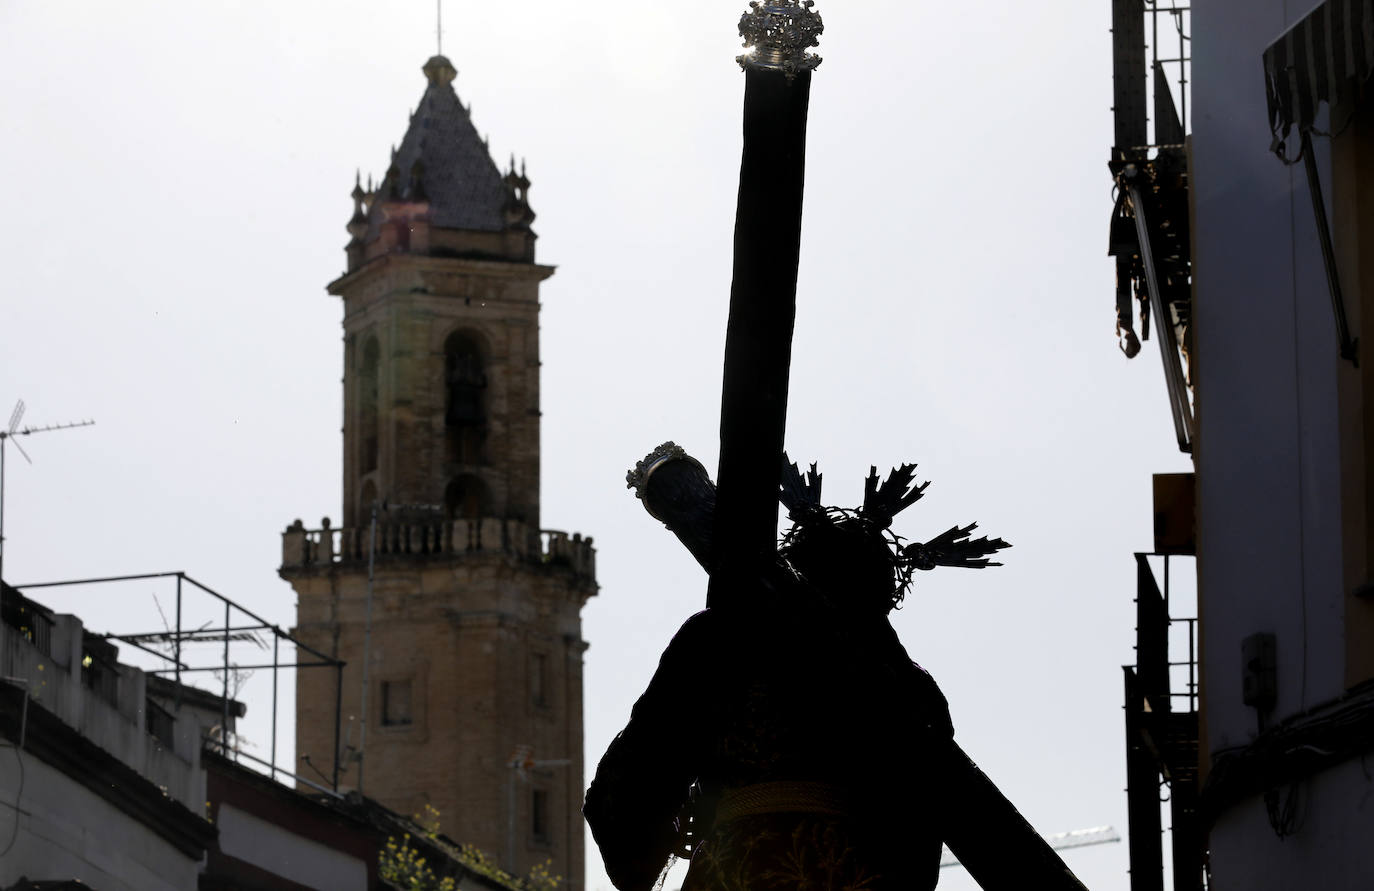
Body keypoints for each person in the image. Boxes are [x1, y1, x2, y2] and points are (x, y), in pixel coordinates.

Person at [585, 459, 1008, 891]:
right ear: (881, 599)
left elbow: (627, 789)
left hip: (741, 870)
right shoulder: (915, 689)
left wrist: (681, 827)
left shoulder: (721, 638)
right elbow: (918, 850)